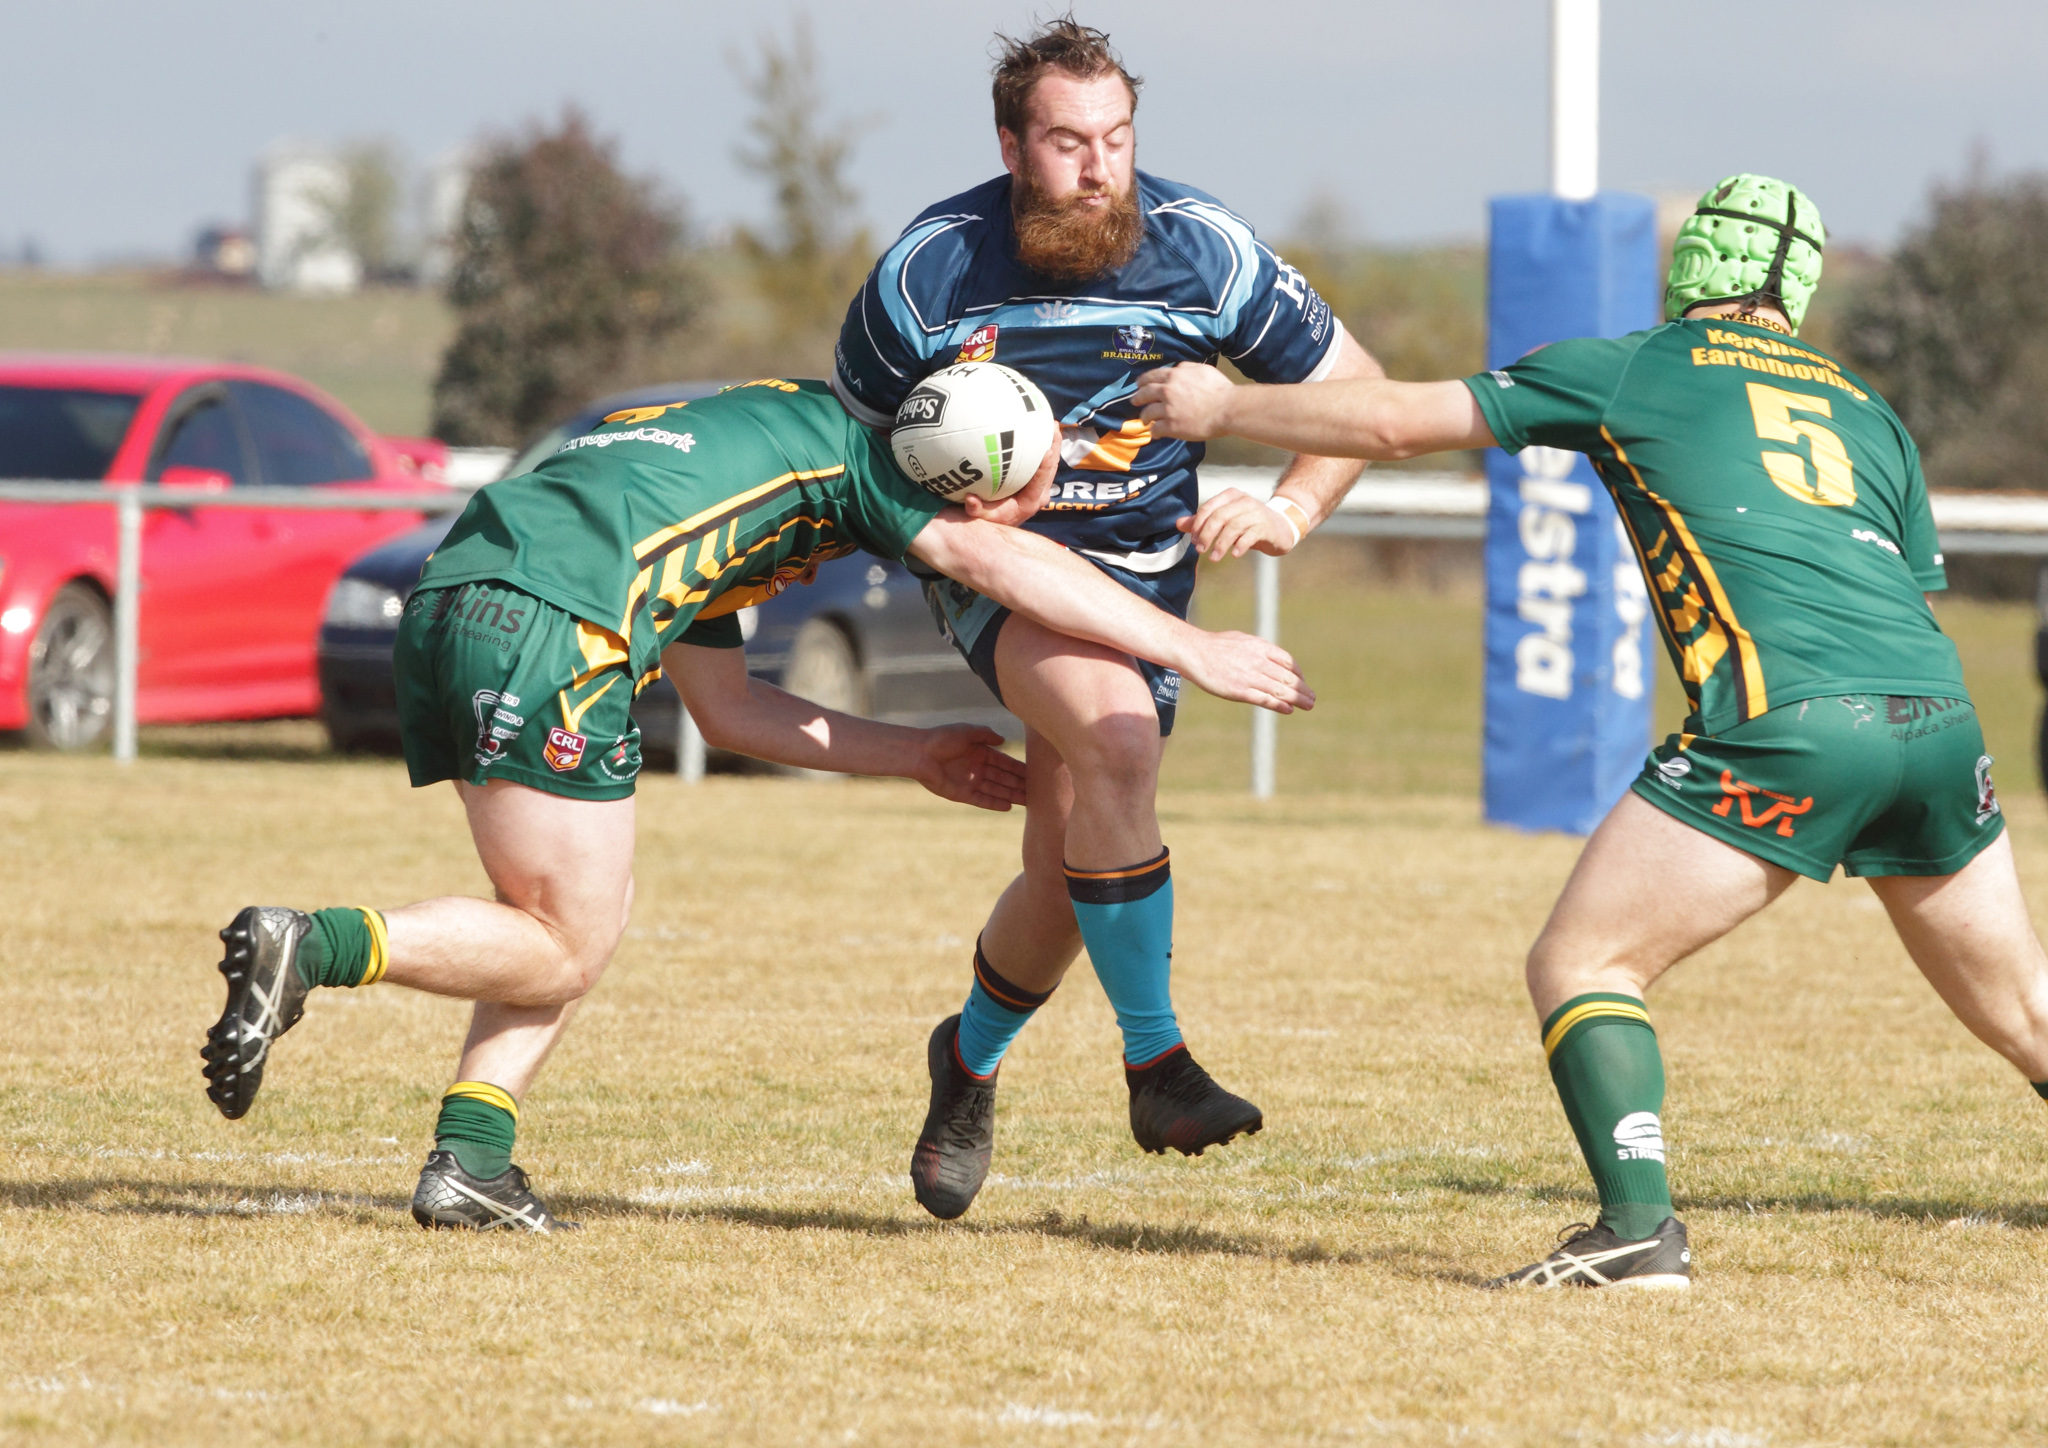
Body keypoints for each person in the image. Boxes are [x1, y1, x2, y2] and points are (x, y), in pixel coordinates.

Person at [1135, 173, 2048, 1289]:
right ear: (1797, 288)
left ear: (1691, 262)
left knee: (1582, 960)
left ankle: (1635, 1228)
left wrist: (1218, 408)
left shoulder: (1636, 365)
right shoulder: (1869, 411)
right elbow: (1900, 587)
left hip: (1792, 724)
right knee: (2023, 1009)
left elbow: (1391, 419)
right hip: (1940, 722)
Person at [201, 377, 1313, 1233]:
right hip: (557, 618)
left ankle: (471, 1161)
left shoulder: (750, 443)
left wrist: (916, 751)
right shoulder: (863, 468)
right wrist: (1188, 645)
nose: (1045, 509)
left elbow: (726, 711)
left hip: (455, 598)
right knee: (562, 938)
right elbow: (995, 564)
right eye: (1037, 491)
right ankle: (315, 945)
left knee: (554, 912)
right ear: (971, 490)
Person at [832, 18, 1385, 1221]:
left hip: (1145, 583)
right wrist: (940, 505)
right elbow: (853, 451)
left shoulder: (1203, 251)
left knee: (1066, 866)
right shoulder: (928, 270)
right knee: (1118, 739)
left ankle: (965, 1060)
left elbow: (1356, 387)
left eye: (1117, 140)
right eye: (1068, 143)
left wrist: (1288, 505)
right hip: (998, 573)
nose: (1098, 167)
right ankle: (1158, 1065)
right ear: (1011, 145)